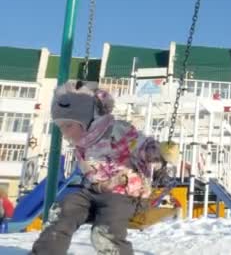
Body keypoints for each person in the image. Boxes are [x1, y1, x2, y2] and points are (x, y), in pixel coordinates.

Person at [31, 81, 178, 255]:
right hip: (93, 191)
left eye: (69, 125)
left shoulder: (118, 131)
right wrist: (98, 185)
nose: (65, 133)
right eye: (61, 127)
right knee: (62, 212)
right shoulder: (81, 144)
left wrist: (161, 152)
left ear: (87, 119)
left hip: (125, 195)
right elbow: (89, 172)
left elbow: (144, 147)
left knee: (103, 233)